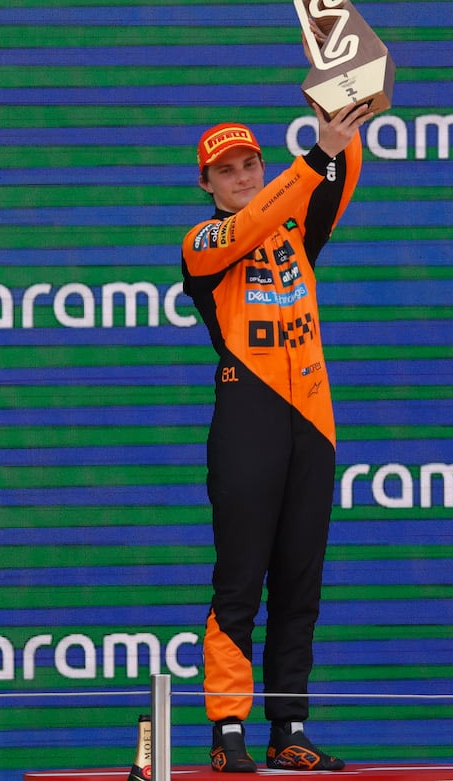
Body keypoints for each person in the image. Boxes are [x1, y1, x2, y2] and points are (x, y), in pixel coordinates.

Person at [179, 102, 372, 773]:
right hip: (247, 420)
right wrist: (314, 156)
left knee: (300, 579)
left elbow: (340, 176)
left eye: (249, 164)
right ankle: (226, 726)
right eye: (224, 170)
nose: (239, 176)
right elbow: (257, 218)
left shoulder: (294, 225)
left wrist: (344, 123)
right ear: (206, 183)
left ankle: (288, 724)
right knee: (240, 580)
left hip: (314, 424)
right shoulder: (201, 244)